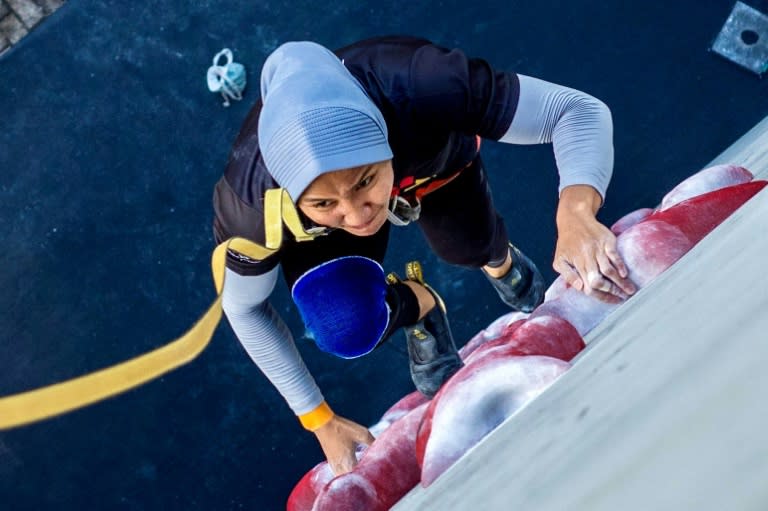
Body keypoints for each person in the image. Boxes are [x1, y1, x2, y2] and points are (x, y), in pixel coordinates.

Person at [212, 35, 635, 475]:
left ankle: (498, 261)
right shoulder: (250, 208)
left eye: (364, 180)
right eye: (324, 202)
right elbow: (245, 309)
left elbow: (577, 111)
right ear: (290, 197)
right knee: (344, 329)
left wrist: (576, 213)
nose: (358, 217)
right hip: (334, 222)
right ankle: (419, 303)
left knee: (470, 247)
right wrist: (318, 419)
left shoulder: (424, 83)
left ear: (382, 135)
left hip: (433, 163)